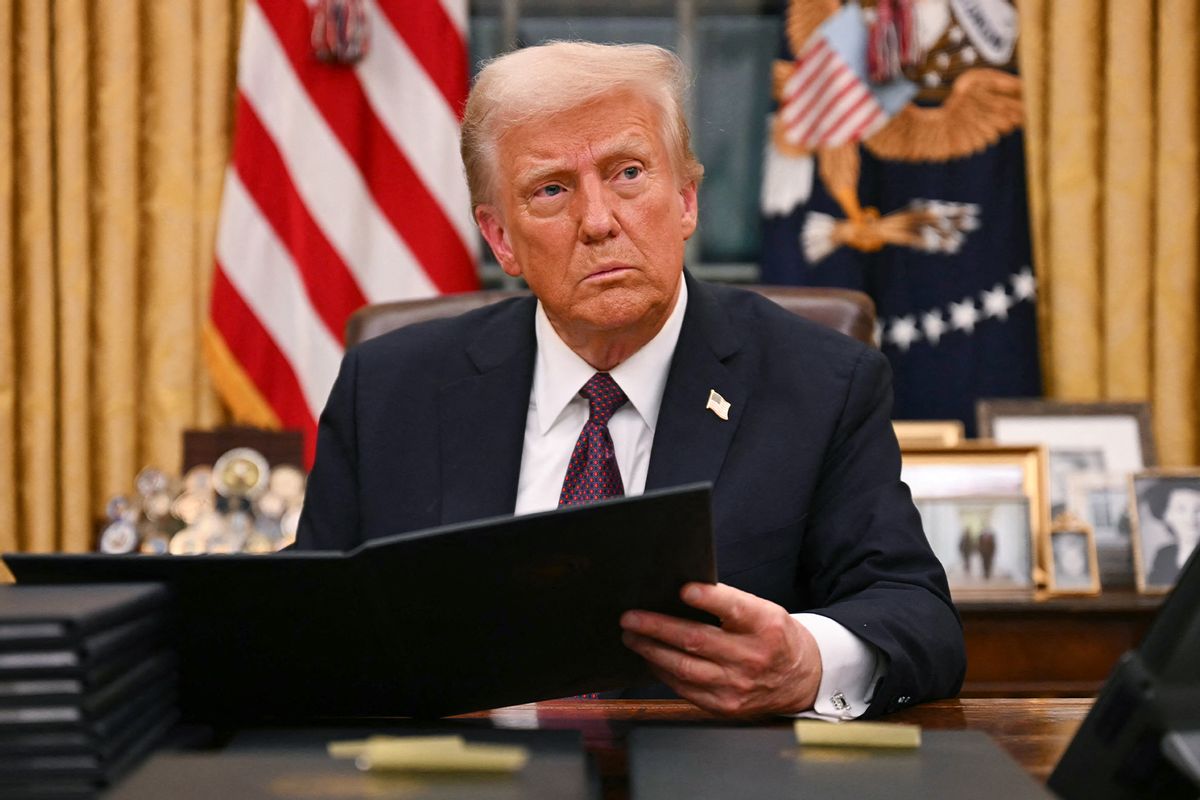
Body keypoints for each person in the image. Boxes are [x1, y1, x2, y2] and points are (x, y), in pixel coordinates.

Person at [296, 41, 964, 718]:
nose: (598, 221)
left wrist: (806, 661)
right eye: (551, 189)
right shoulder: (390, 391)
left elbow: (918, 619)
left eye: (628, 173)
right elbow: (305, 624)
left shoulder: (821, 384)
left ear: (685, 201)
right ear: (501, 240)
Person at [1142, 481, 1200, 587]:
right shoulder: (1164, 555)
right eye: (1181, 510)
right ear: (1166, 515)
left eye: (1198, 510)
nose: (1191, 519)